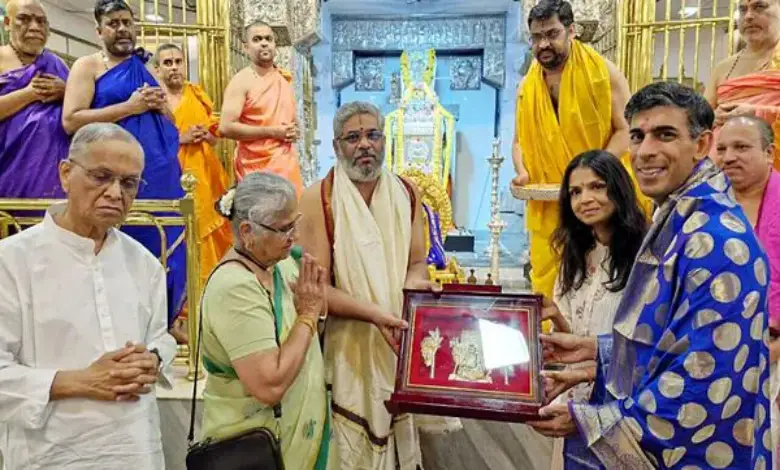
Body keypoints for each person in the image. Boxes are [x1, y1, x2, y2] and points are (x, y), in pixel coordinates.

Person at [527, 81, 772, 468]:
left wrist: (591, 420)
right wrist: (599, 352)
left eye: (666, 134)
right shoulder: (679, 217)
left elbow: (706, 379)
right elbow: (669, 341)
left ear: (702, 144)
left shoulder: (718, 239)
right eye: (638, 136)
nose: (645, 151)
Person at [0, 122, 176, 468]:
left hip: (137, 449)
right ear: (66, 174)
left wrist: (153, 359)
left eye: (128, 183)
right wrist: (81, 381)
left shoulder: (143, 263)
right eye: (101, 176)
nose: (115, 193)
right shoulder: (12, 261)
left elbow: (161, 338)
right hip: (51, 453)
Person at [298, 101, 431, 470]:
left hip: (397, 340)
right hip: (348, 346)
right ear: (337, 144)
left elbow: (417, 263)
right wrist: (375, 315)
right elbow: (315, 289)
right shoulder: (317, 197)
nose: (364, 145)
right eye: (353, 137)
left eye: (372, 135)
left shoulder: (407, 192)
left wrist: (415, 303)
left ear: (384, 140)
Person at [511, 0, 645, 300]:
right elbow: (519, 142)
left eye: (552, 34)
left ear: (571, 31)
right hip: (549, 203)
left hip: (599, 197)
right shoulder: (527, 86)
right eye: (536, 37)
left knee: (601, 282)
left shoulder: (603, 72)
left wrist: (594, 173)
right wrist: (522, 171)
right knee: (548, 291)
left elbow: (627, 130)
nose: (543, 44)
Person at [62, 0, 186, 326]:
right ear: (99, 30)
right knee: (125, 244)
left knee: (168, 243)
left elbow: (171, 122)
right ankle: (116, 323)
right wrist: (128, 107)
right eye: (114, 23)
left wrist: (161, 107)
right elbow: (71, 120)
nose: (122, 29)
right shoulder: (87, 66)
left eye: (127, 22)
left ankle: (162, 323)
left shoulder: (144, 66)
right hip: (112, 177)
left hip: (159, 175)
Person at [200, 172, 329, 469]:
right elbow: (269, 386)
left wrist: (314, 309)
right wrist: (308, 313)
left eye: (294, 224)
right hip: (254, 451)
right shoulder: (235, 288)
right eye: (284, 229)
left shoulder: (280, 266)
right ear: (247, 231)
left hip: (291, 437)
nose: (294, 237)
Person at [547, 150, 647, 470]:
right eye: (575, 192)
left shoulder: (645, 256)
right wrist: (553, 316)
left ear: (618, 188)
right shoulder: (575, 255)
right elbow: (571, 341)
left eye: (597, 186)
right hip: (576, 396)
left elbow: (645, 343)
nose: (585, 199)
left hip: (623, 400)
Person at [155, 42, 232, 327]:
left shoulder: (196, 94)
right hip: (173, 174)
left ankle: (211, 303)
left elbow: (214, 135)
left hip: (205, 174)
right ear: (157, 68)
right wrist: (181, 138)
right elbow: (151, 141)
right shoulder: (155, 100)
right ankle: (182, 313)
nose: (174, 67)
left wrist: (204, 135)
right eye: (168, 62)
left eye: (178, 61)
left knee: (208, 236)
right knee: (180, 238)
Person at [219, 20, 302, 196]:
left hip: (286, 164)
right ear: (245, 48)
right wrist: (272, 132)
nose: (264, 43)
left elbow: (290, 122)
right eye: (257, 39)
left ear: (274, 45)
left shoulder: (283, 79)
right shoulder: (241, 81)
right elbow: (225, 127)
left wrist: (294, 131)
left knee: (291, 219)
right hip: (255, 168)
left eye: (268, 39)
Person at [0, 0, 69, 198]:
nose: (34, 27)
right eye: (24, 19)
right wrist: (29, 93)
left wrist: (65, 91)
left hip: (55, 172)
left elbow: (81, 108)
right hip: (9, 168)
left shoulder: (57, 63)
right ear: (7, 23)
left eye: (41, 21)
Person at [705, 0, 780, 170]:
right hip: (725, 170)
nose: (749, 16)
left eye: (759, 7)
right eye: (742, 9)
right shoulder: (723, 68)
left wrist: (756, 113)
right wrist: (714, 118)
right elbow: (700, 122)